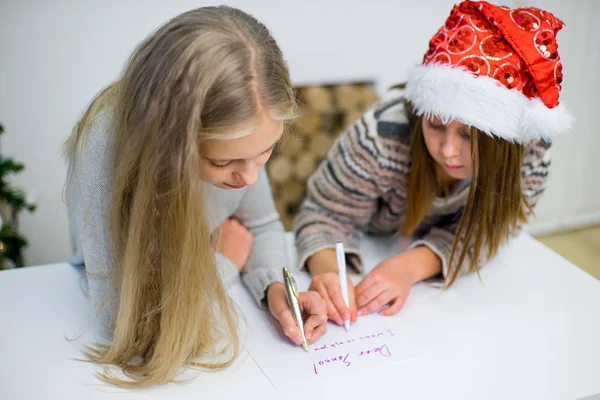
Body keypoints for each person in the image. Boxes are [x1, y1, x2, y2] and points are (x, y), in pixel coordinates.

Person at [65, 6, 326, 387]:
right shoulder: (104, 145)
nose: (250, 177)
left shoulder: (246, 125)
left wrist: (272, 287)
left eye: (265, 152)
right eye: (223, 163)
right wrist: (225, 260)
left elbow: (263, 223)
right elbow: (123, 320)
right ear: (170, 145)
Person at [295, 1, 571, 326]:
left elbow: (496, 229)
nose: (448, 151)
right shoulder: (379, 135)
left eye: (469, 136)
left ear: (505, 141)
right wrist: (329, 272)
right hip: (371, 247)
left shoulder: (532, 151)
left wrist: (413, 265)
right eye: (435, 126)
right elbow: (323, 214)